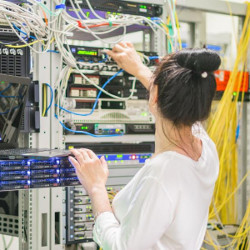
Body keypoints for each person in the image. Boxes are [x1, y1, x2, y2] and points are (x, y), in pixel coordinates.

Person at [69, 42, 221, 250]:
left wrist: (96, 188)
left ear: (155, 95)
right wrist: (140, 69)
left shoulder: (162, 173)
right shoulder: (207, 150)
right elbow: (179, 99)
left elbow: (122, 247)